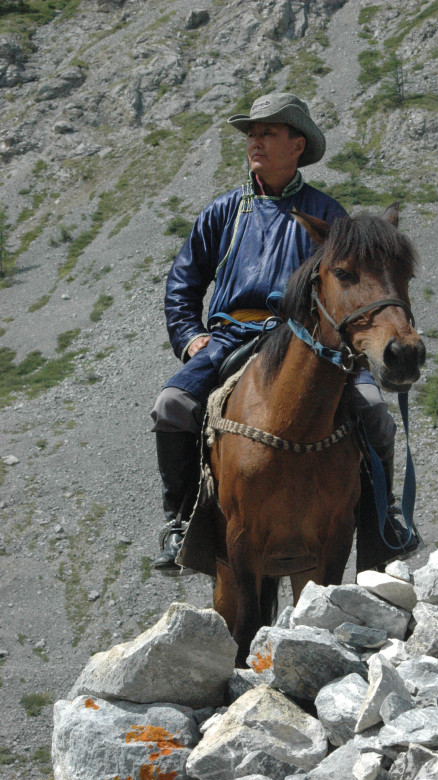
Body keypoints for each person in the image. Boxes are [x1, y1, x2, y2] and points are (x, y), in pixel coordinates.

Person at [150, 92, 414, 573]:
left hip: (306, 346)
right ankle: (180, 522)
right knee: (171, 406)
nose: (255, 141)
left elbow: (354, 290)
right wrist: (190, 336)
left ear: (297, 145)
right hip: (230, 338)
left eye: (267, 132)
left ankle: (384, 523)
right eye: (252, 133)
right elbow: (182, 284)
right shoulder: (222, 213)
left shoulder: (330, 218)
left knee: (376, 411)